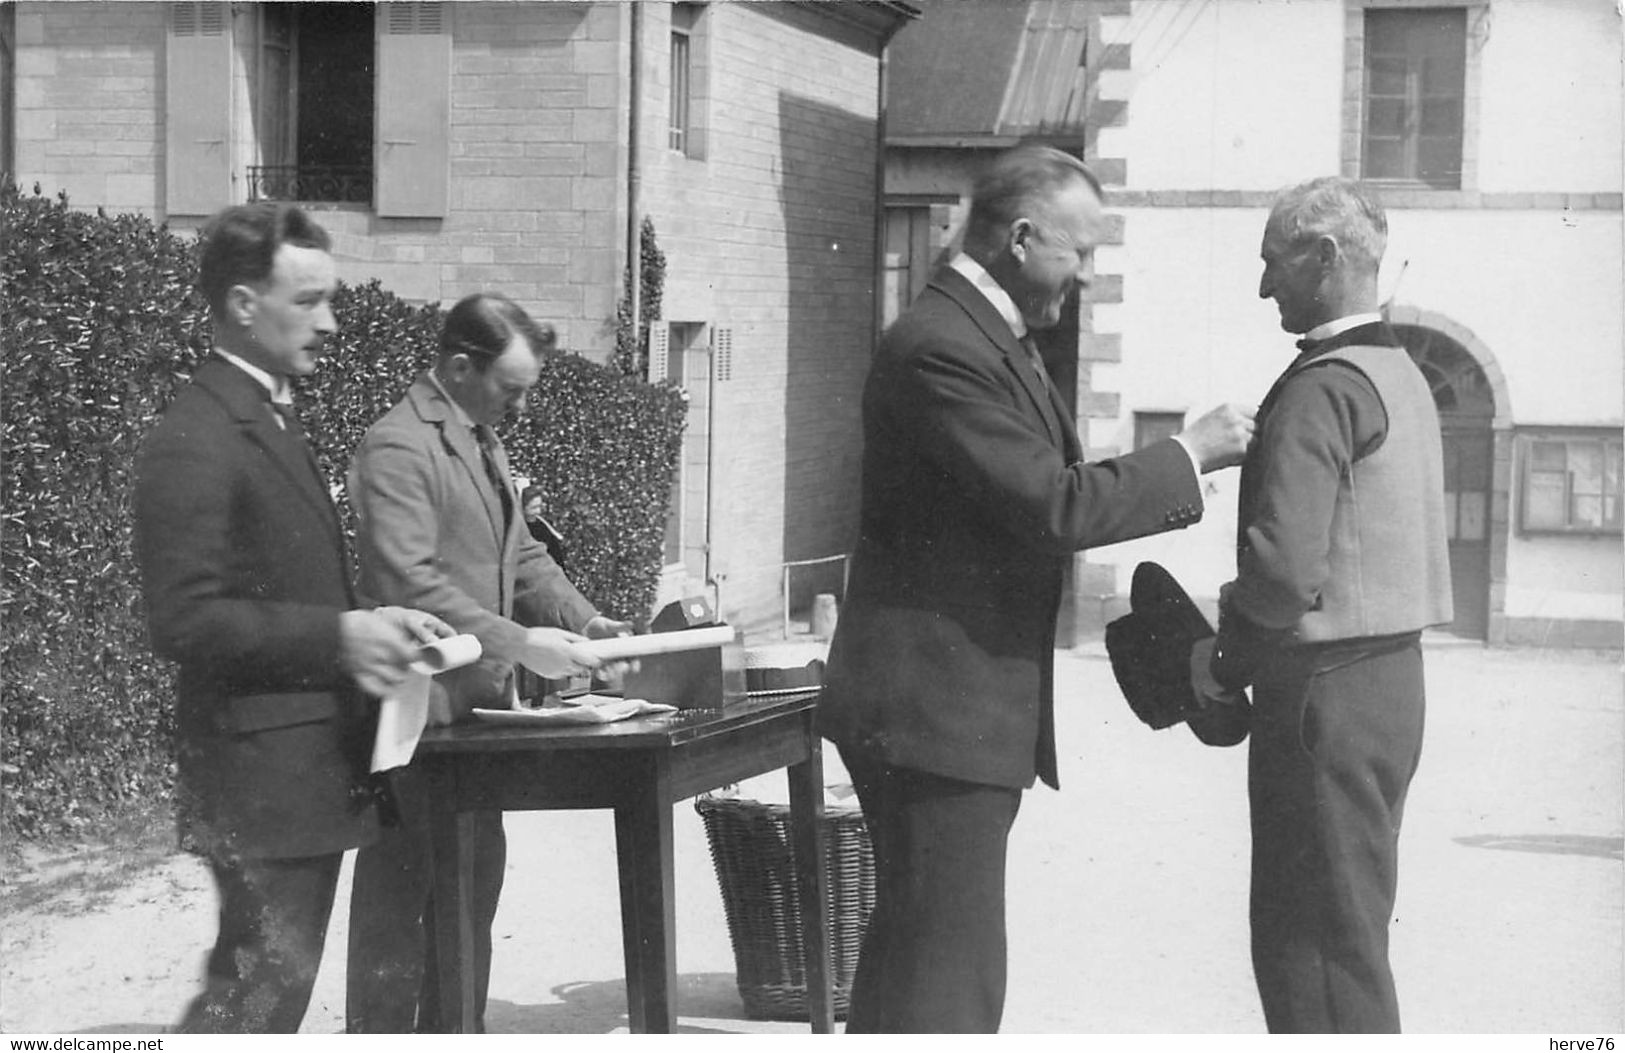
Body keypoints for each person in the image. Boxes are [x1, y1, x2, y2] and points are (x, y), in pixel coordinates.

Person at [815, 144, 1256, 1033]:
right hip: (934, 713)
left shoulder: (985, 339)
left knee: (916, 959)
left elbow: (1038, 489)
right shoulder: (941, 346)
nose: (1086, 276)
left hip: (947, 710)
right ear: (1020, 237)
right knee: (950, 979)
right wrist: (1190, 454)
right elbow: (1050, 505)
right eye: (1078, 251)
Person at [132, 202, 451, 1033]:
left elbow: (278, 583)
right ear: (243, 304)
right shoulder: (198, 434)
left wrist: (371, 621)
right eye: (308, 301)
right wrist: (340, 637)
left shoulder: (270, 413)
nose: (332, 322)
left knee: (266, 1001)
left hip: (297, 774)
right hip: (259, 781)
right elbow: (184, 619)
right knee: (250, 1008)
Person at [1194, 176, 1453, 1032]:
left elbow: (1280, 576)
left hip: (1322, 697)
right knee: (1350, 932)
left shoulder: (1318, 385)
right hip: (1390, 688)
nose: (1264, 285)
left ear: (1324, 257)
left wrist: (1218, 645)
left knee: (1306, 946)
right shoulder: (1401, 373)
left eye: (1272, 262)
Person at [344, 292, 633, 1033]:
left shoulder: (479, 437)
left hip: (473, 718)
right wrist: (519, 641)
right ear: (458, 366)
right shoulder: (398, 446)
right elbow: (410, 582)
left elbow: (522, 554)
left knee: (470, 896)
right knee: (401, 909)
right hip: (414, 720)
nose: (519, 407)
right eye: (510, 389)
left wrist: (584, 619)